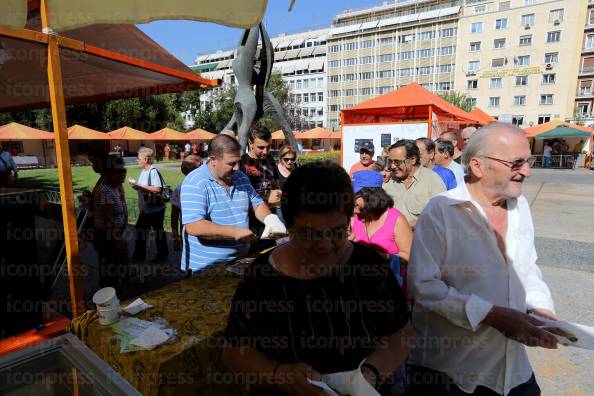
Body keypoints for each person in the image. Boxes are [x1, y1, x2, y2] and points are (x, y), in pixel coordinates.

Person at [222, 161, 413, 396]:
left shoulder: (369, 266)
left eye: (337, 232)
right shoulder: (263, 277)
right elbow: (234, 352)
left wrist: (367, 375)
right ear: (289, 227)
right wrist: (280, 374)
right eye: (310, 233)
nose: (325, 246)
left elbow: (401, 333)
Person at [407, 123, 558, 396]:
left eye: (528, 161)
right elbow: (424, 287)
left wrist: (541, 308)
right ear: (477, 166)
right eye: (517, 163)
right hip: (453, 376)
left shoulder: (519, 205)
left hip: (513, 371)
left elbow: (526, 268)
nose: (527, 171)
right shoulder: (441, 211)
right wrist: (493, 316)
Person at [180, 134, 285, 272]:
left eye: (239, 162)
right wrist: (234, 232)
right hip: (206, 268)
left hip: (239, 263)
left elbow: (257, 203)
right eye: (231, 163)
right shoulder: (195, 182)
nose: (237, 168)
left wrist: (270, 218)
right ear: (213, 160)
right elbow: (194, 226)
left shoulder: (240, 177)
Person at [383, 140, 446, 228]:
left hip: (420, 239)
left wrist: (405, 227)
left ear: (413, 159)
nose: (393, 166)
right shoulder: (389, 181)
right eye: (391, 162)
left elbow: (440, 215)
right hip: (391, 239)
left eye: (397, 162)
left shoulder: (433, 180)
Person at [93, 156, 129, 288]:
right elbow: (108, 219)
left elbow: (122, 208)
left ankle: (116, 288)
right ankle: (110, 293)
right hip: (107, 236)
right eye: (118, 172)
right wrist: (118, 239)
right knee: (110, 266)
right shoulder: (105, 190)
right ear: (108, 174)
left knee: (115, 264)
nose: (123, 174)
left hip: (115, 234)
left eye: (124, 170)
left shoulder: (116, 186)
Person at [240, 127, 282, 236]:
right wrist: (267, 200)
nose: (266, 151)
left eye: (269, 147)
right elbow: (240, 200)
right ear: (250, 143)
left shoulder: (270, 159)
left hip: (271, 219)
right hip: (251, 224)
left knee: (271, 251)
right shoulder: (241, 163)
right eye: (261, 147)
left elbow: (275, 185)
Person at [129, 147, 169, 263]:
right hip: (147, 207)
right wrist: (136, 185)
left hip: (155, 208)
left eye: (139, 158)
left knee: (157, 232)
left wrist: (139, 185)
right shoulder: (144, 171)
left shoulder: (153, 171)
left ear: (146, 159)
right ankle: (140, 255)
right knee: (142, 230)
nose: (137, 160)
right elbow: (144, 187)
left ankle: (161, 255)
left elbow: (157, 189)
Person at [171, 155, 202, 254]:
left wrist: (175, 236)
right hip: (190, 231)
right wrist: (176, 236)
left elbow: (174, 216)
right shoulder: (180, 189)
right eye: (201, 165)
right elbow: (174, 215)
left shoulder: (179, 188)